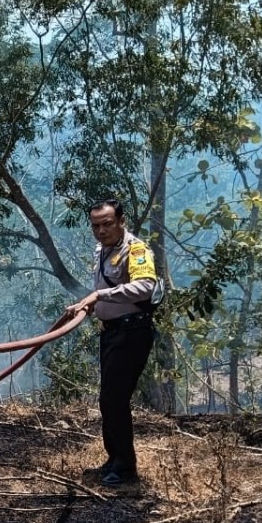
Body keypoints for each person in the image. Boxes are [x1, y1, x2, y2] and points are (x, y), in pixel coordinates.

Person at [64, 199, 161, 489]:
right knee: (109, 399)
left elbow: (145, 286)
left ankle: (124, 466)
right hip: (112, 332)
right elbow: (107, 291)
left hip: (132, 333)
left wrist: (100, 297)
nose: (101, 230)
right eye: (96, 225)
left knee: (114, 398)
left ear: (121, 221)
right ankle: (115, 458)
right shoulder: (103, 251)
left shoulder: (137, 250)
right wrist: (87, 304)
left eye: (107, 224)